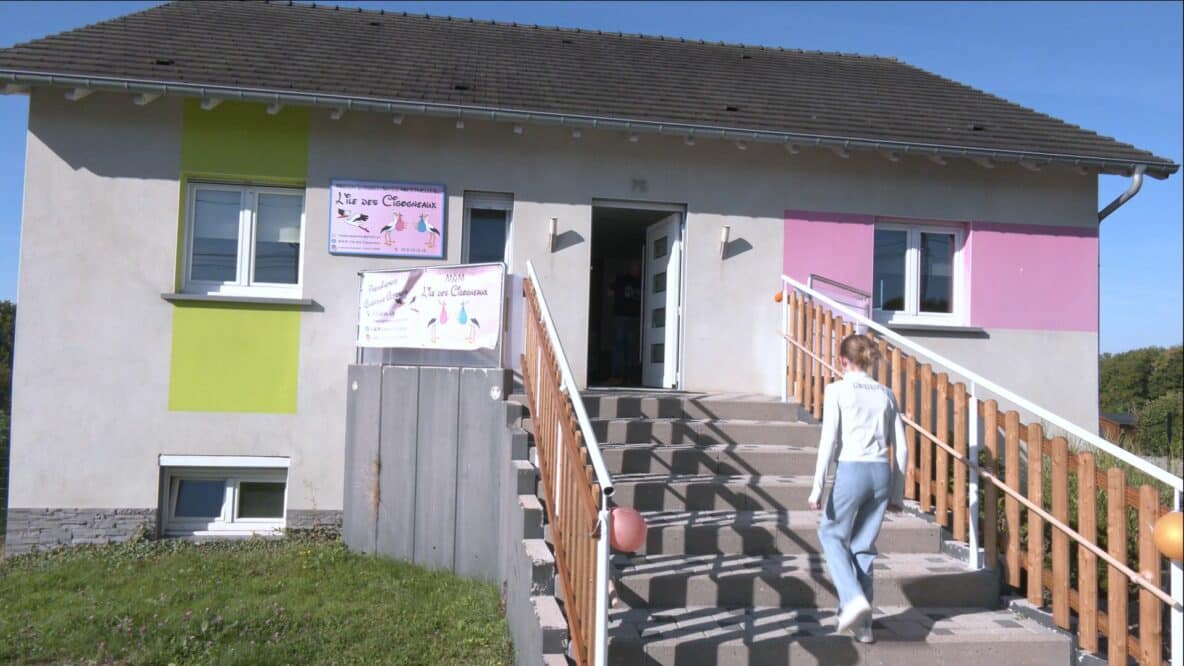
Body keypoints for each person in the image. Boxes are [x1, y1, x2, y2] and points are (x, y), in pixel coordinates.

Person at [808, 334, 909, 643]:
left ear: (842, 360)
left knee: (830, 534)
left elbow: (829, 440)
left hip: (852, 469)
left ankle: (852, 599)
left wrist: (817, 488)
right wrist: (897, 493)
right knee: (863, 548)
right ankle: (863, 628)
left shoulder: (837, 389)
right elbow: (902, 448)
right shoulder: (886, 393)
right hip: (881, 473)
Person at [607, 261, 642, 385]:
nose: (637, 271)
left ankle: (628, 377)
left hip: (633, 318)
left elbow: (610, 292)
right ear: (631, 269)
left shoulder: (641, 282)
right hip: (621, 317)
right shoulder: (622, 280)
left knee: (630, 348)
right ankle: (618, 376)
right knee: (620, 346)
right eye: (635, 268)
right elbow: (609, 292)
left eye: (638, 268)